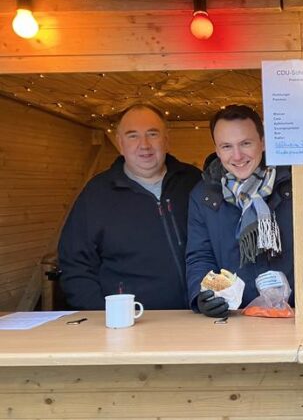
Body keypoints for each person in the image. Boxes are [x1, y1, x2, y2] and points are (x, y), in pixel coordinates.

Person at [186, 105, 303, 317]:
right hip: (235, 321)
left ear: (262, 143)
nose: (237, 155)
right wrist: (202, 295)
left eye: (246, 143)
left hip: (300, 316)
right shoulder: (203, 195)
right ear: (217, 150)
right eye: (226, 146)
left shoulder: (301, 181)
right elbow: (200, 257)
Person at [58, 104, 202, 310]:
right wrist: (103, 316)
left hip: (197, 317)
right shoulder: (97, 193)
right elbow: (75, 264)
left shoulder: (194, 182)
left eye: (152, 134)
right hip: (129, 324)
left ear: (166, 139)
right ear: (120, 143)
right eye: (133, 136)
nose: (144, 145)